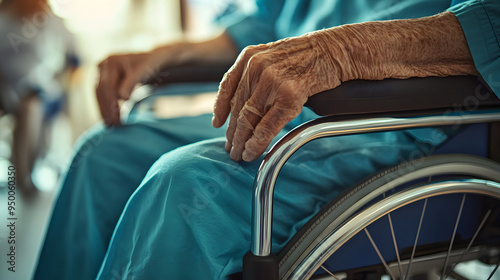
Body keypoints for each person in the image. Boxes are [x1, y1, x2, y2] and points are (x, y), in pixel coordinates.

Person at [35, 0, 499, 279]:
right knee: (103, 154)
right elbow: (266, 23)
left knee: (185, 182)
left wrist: (341, 53)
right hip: (290, 103)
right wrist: (164, 54)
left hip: (402, 122)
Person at [0, 0, 79, 193]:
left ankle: (24, 173)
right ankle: (22, 174)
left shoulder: (52, 20)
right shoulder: (4, 17)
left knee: (31, 107)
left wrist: (65, 80)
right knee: (29, 107)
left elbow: (74, 57)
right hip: (6, 88)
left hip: (43, 92)